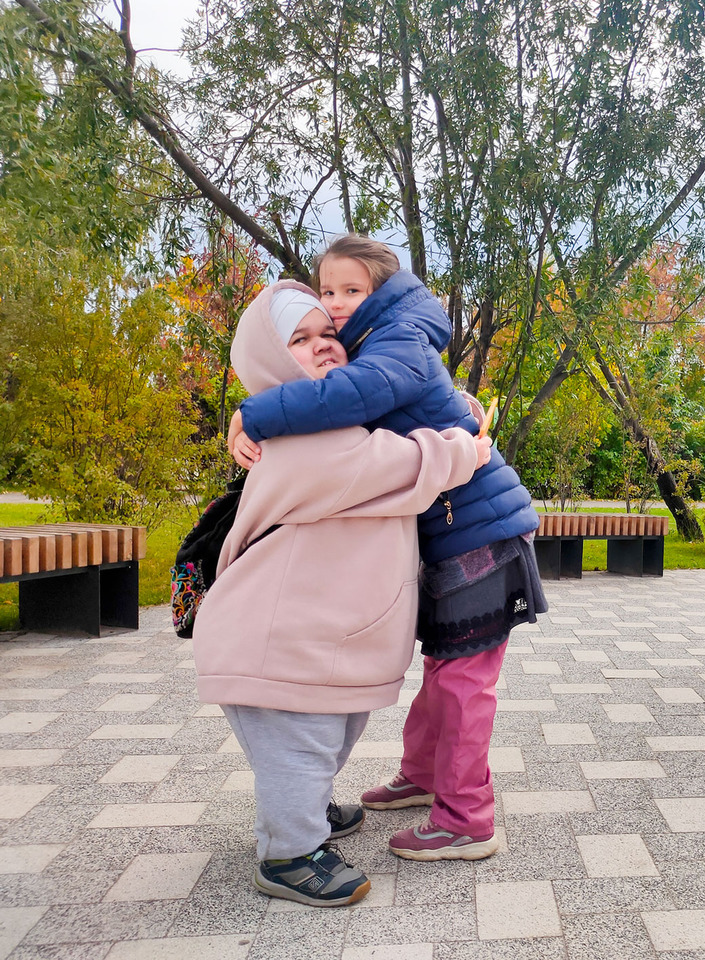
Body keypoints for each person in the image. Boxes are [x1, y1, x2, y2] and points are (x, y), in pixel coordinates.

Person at [226, 235, 546, 863]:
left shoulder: (397, 341)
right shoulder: (381, 341)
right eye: (327, 291)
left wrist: (253, 413)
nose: (337, 304)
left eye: (351, 291)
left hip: (478, 531)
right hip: (454, 530)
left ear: (383, 290)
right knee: (445, 669)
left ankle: (466, 818)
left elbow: (353, 399)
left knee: (463, 680)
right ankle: (425, 775)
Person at [193, 280, 487, 906]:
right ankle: (288, 853)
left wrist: (449, 398)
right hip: (277, 640)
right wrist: (468, 446)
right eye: (300, 340)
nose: (324, 347)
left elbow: (405, 403)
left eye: (329, 333)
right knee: (299, 743)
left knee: (330, 731)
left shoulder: (330, 422)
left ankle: (308, 809)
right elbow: (407, 466)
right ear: (268, 358)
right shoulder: (305, 440)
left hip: (314, 638)